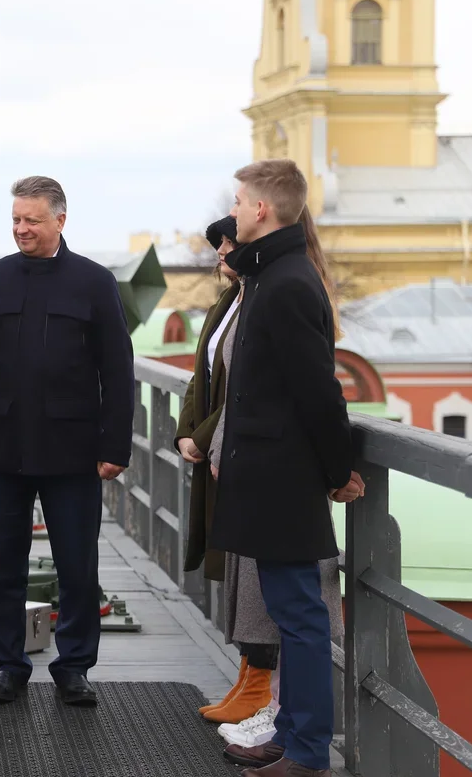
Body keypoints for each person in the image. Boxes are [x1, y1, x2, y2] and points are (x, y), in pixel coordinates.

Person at [0, 175, 135, 708]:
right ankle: (9, 666)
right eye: (16, 219)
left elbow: (117, 372)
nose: (21, 229)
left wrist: (114, 446)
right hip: (4, 447)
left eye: (32, 220)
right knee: (0, 562)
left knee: (77, 565)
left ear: (60, 219)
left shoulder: (95, 282)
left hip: (73, 449)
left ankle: (74, 666)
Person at [209, 159, 364, 777]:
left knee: (300, 621)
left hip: (283, 482)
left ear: (262, 210)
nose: (237, 209)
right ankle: (295, 740)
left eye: (242, 200)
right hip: (269, 478)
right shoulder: (274, 276)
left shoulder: (289, 283)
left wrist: (338, 469)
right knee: (292, 615)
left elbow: (317, 392)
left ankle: (306, 753)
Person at [174, 214, 281, 724]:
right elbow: (202, 373)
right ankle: (247, 677)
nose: (220, 256)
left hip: (240, 452)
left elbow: (246, 385)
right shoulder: (228, 301)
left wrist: (201, 438)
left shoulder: (263, 299)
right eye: (218, 248)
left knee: (252, 567)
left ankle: (258, 682)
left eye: (227, 246)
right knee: (236, 565)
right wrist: (183, 431)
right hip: (221, 451)